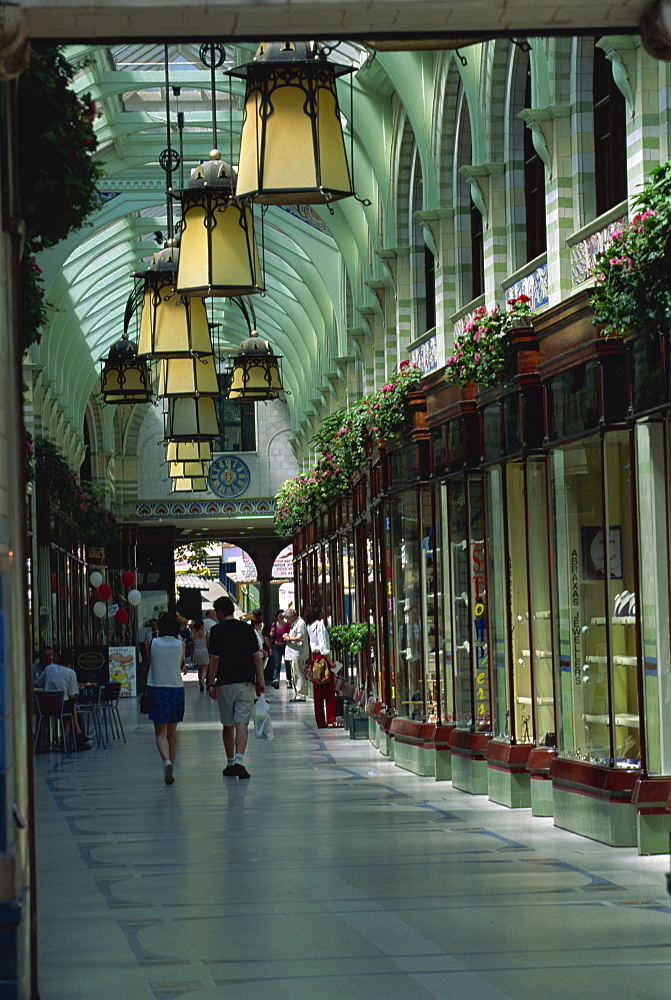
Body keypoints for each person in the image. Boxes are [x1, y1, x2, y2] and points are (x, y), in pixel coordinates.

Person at [207, 595, 264, 779]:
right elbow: (256, 656)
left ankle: (230, 762)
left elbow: (214, 659)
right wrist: (260, 681)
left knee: (228, 724)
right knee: (242, 723)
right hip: (245, 682)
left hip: (224, 683)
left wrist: (210, 682)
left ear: (220, 612)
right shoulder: (246, 630)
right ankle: (239, 761)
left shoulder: (216, 631)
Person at [146, 612, 187, 784]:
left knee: (160, 733)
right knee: (172, 732)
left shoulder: (152, 642)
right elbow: (179, 664)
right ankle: (172, 765)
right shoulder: (180, 644)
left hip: (157, 689)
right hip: (176, 689)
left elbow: (150, 663)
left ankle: (166, 761)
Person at [36, 649, 92, 750]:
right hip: (62, 707)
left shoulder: (49, 668)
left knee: (70, 708)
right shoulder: (70, 673)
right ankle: (74, 735)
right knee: (72, 707)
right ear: (71, 663)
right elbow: (72, 696)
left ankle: (67, 737)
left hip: (45, 707)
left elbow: (38, 683)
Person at [304, 605, 339, 728]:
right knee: (329, 692)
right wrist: (331, 662)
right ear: (318, 613)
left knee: (318, 693)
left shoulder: (309, 626)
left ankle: (320, 720)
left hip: (315, 660)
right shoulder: (320, 625)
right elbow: (324, 646)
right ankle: (331, 719)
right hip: (323, 659)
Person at [283, 608, 309, 702]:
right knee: (294, 674)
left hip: (298, 653)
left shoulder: (300, 623)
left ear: (294, 616)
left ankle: (301, 694)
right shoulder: (294, 624)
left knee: (298, 674)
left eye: (288, 618)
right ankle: (298, 693)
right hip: (293, 653)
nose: (287, 621)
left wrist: (288, 639)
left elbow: (300, 637)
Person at [269, 609, 291, 689]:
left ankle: (289, 680)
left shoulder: (287, 625)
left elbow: (290, 634)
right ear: (277, 617)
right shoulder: (274, 625)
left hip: (285, 646)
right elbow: (271, 635)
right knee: (277, 663)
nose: (281, 618)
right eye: (280, 616)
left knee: (287, 663)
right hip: (277, 646)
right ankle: (275, 679)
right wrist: (272, 633)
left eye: (282, 616)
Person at [192, 618, 209, 691]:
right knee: (205, 668)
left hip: (197, 651)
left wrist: (191, 655)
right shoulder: (205, 633)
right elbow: (208, 643)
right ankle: (202, 681)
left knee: (199, 669)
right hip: (204, 651)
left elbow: (192, 645)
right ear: (202, 625)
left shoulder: (193, 634)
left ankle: (199, 681)